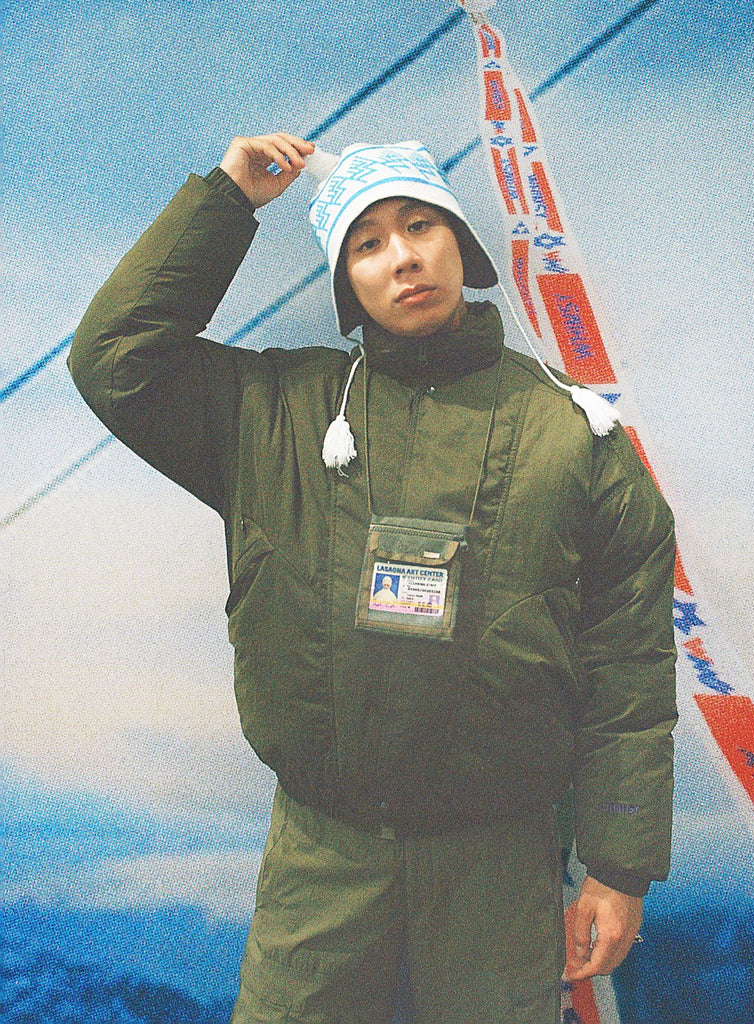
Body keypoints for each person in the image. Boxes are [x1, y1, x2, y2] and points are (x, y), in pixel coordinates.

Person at [68, 131, 677, 1023]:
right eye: (367, 242)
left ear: (460, 243)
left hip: (498, 867)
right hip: (322, 859)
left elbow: (630, 669)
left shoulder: (575, 438)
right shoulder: (273, 415)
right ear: (345, 283)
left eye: (420, 226)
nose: (402, 258)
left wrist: (619, 869)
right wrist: (227, 200)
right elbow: (113, 358)